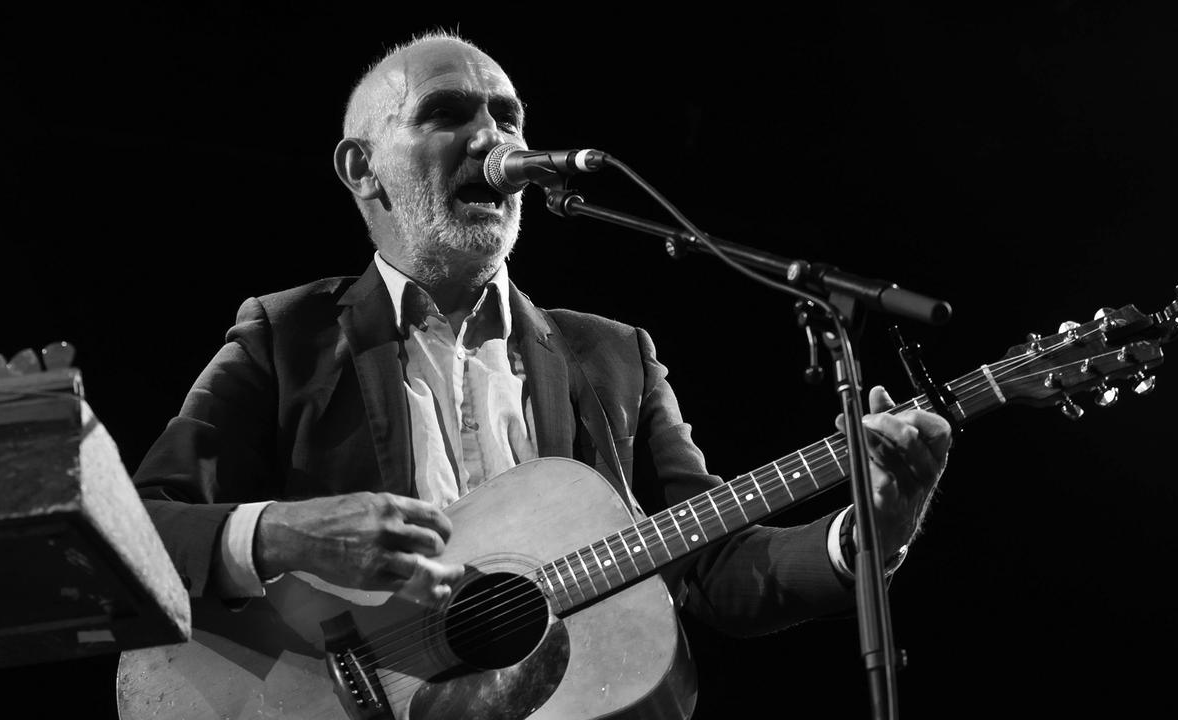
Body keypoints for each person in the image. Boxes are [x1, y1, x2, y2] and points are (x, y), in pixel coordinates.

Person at [134, 30, 949, 655]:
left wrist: (868, 531)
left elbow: (708, 561)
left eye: (508, 117)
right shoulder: (286, 338)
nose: (494, 143)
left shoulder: (614, 355)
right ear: (362, 167)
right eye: (449, 114)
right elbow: (138, 527)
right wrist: (280, 533)